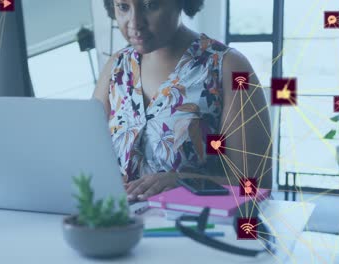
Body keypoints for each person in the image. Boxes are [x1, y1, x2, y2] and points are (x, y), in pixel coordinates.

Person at [93, 0, 272, 202]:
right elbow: (87, 157)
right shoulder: (116, 67)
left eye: (150, 5)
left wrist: (184, 182)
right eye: (123, 7)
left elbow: (258, 185)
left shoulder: (229, 67)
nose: (135, 23)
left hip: (198, 227)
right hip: (120, 226)